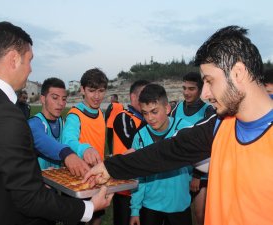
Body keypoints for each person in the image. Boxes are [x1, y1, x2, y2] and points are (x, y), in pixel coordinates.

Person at [84, 25, 273, 225]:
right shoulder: (219, 125)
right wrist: (110, 167)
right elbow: (167, 151)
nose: (204, 94)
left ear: (238, 73)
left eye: (210, 81)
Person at [0, 21, 112, 225]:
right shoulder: (4, 114)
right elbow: (30, 199)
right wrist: (89, 208)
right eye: (29, 61)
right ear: (13, 59)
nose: (30, 70)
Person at [129, 83, 192, 225]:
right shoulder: (140, 137)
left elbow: (199, 159)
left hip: (179, 205)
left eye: (154, 111)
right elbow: (138, 176)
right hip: (150, 206)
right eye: (145, 113)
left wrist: (194, 176)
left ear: (167, 108)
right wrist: (135, 210)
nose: (149, 118)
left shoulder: (184, 129)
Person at [62, 68, 109, 225]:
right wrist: (85, 148)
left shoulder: (101, 114)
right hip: (77, 181)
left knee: (97, 219)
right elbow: (67, 141)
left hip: (97, 179)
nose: (97, 96)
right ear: (82, 90)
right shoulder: (75, 114)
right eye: (92, 91)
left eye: (101, 91)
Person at [170, 71, 215, 225]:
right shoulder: (177, 108)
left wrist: (196, 174)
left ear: (201, 89)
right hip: (179, 172)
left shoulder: (208, 111)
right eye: (184, 88)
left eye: (191, 89)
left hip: (199, 174)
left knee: (200, 215)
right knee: (178, 213)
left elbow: (208, 145)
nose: (186, 92)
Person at [28, 77, 90, 176]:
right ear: (43, 99)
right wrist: (67, 154)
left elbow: (71, 141)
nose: (61, 103)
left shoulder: (62, 122)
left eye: (64, 99)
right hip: (38, 186)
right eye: (55, 98)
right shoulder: (35, 123)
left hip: (58, 183)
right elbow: (41, 139)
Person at [111, 79, 149, 225]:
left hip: (144, 186)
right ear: (133, 97)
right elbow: (135, 144)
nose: (148, 100)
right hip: (125, 187)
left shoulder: (145, 118)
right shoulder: (123, 116)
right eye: (144, 96)